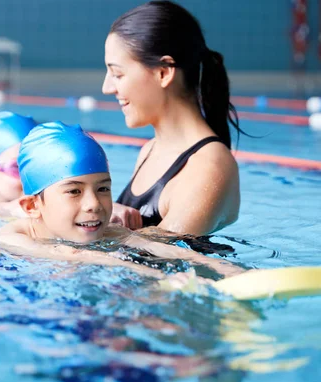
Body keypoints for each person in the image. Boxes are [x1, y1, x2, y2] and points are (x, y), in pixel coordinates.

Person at [0, 121, 242, 280]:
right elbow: (76, 256)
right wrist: (167, 280)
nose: (94, 204)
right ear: (32, 206)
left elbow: (161, 248)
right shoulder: (9, 239)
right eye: (74, 192)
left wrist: (231, 272)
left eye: (102, 188)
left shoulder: (108, 232)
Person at [102, 0, 241, 236]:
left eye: (117, 74)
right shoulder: (150, 150)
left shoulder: (209, 166)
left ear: (163, 73)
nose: (107, 87)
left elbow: (161, 253)